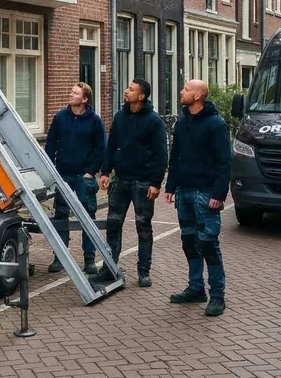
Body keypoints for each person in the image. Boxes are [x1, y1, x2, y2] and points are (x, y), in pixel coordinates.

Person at [90, 78, 167, 289]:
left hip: (143, 183)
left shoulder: (154, 121)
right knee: (113, 224)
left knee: (144, 227)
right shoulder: (120, 117)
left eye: (131, 89)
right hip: (121, 180)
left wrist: (156, 183)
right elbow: (111, 145)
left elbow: (161, 154)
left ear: (141, 96)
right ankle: (109, 267)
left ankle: (144, 271)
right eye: (128, 88)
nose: (126, 91)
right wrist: (105, 172)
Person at [164, 79, 232, 317]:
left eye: (186, 89)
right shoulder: (181, 122)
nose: (181, 91)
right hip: (184, 192)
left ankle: (217, 296)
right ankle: (195, 288)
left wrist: (218, 194)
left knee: (208, 245)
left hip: (206, 194)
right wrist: (170, 186)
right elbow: (176, 157)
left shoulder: (215, 124)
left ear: (198, 96)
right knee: (189, 243)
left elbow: (225, 162)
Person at [44, 82, 106, 275]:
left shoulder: (94, 120)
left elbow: (101, 148)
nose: (71, 94)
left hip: (84, 177)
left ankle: (89, 260)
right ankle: (60, 258)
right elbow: (51, 142)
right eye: (71, 91)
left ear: (85, 99)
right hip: (63, 174)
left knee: (88, 216)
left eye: (75, 93)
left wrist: (92, 171)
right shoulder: (60, 117)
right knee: (61, 215)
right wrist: (51, 166)